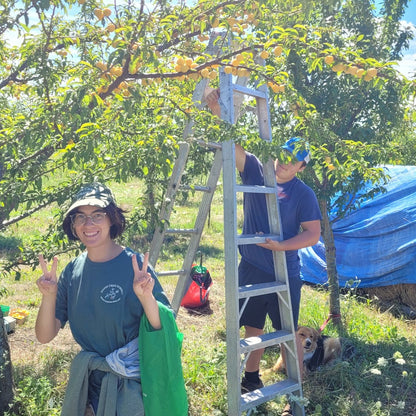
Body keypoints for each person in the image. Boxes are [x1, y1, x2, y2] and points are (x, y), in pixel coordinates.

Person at [205, 88, 322, 393]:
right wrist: (217, 110)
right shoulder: (256, 170)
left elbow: (313, 233)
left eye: (294, 159)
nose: (285, 162)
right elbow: (233, 146)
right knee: (253, 327)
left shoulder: (303, 194)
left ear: (301, 167)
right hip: (254, 266)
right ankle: (251, 377)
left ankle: (295, 384)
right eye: (284, 154)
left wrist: (281, 246)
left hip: (285, 271)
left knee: (288, 331)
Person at [35, 182, 188, 416]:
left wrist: (146, 297)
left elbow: (164, 331)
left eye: (97, 215)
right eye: (81, 217)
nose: (89, 224)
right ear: (73, 224)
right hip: (90, 382)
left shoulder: (134, 266)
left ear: (112, 219)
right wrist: (49, 296)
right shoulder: (72, 271)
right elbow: (44, 336)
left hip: (133, 385)